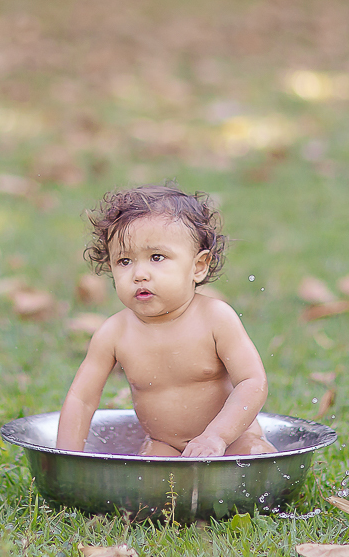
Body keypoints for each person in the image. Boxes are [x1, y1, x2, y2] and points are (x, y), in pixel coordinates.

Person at [56, 185, 277, 457]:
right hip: (165, 447)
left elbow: (252, 382)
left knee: (256, 457)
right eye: (124, 261)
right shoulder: (114, 332)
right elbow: (81, 399)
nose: (139, 274)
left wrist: (215, 437)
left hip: (231, 441)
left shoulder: (215, 318)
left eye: (156, 257)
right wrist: (66, 459)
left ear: (198, 266)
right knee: (149, 482)